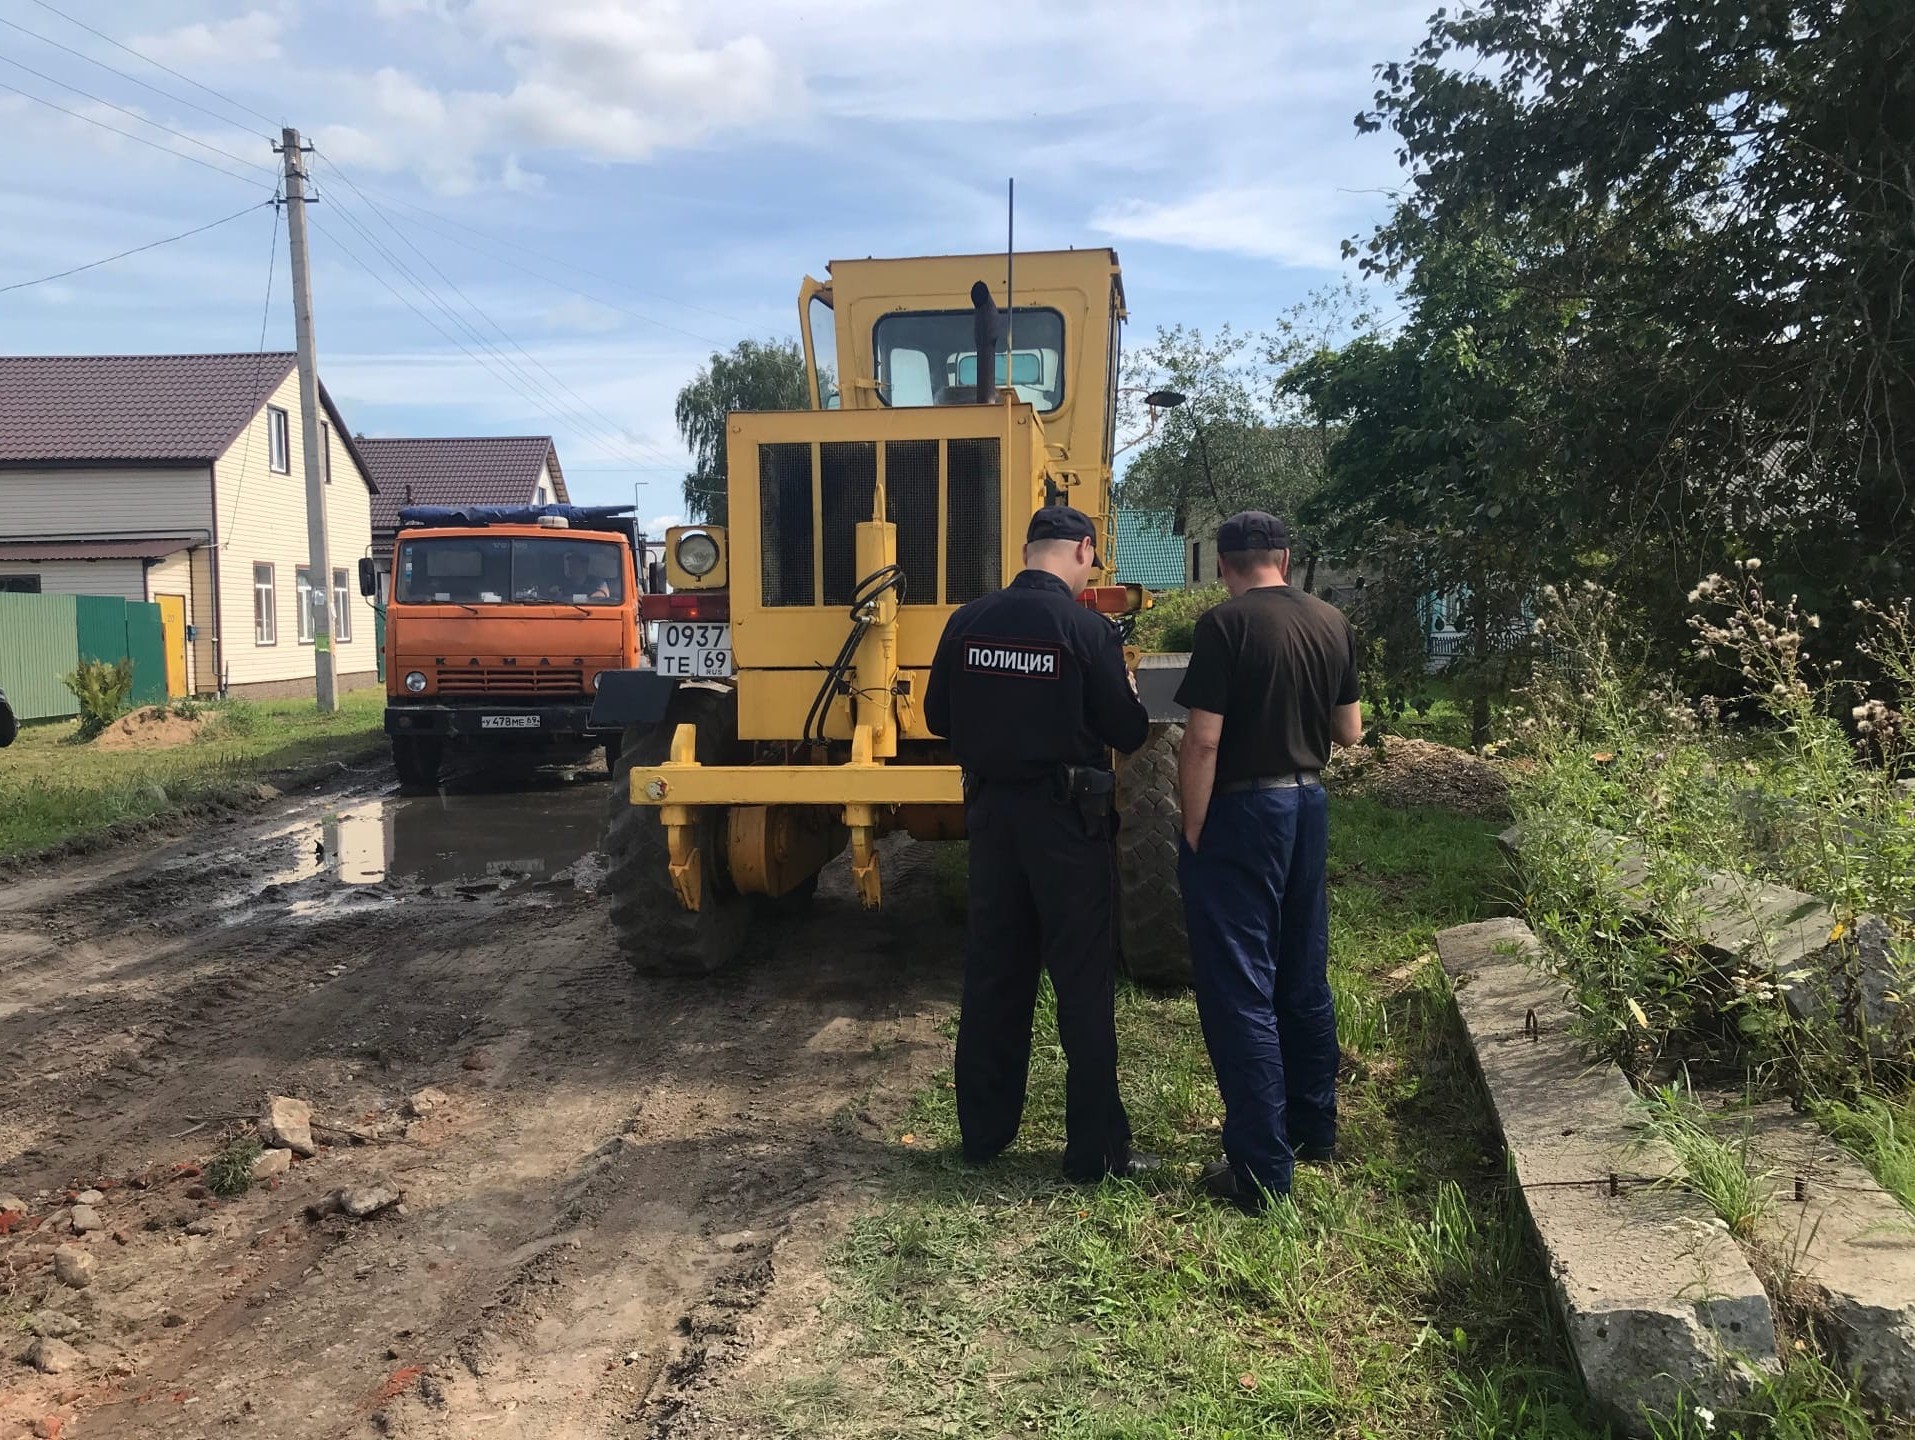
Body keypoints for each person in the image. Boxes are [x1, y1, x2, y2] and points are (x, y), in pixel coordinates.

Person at [925, 505, 1156, 1183]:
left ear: (1026, 550)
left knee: (994, 973)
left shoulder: (965, 623)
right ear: (1083, 551)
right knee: (1082, 984)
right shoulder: (1086, 629)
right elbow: (1127, 729)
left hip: (992, 817)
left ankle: (984, 1134)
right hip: (1066, 824)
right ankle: (1095, 1153)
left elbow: (938, 715)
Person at [1174, 511, 1362, 1211]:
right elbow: (1349, 730)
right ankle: (1314, 1130)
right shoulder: (1330, 621)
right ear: (1285, 557)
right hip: (1306, 806)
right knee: (1301, 970)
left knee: (1239, 987)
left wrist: (1194, 826)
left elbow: (1200, 743)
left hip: (1242, 811)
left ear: (1222, 565)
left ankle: (1258, 1169)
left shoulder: (1225, 627)